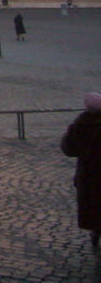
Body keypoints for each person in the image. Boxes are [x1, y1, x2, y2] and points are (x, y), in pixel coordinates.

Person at [60, 92, 101, 248]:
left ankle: (97, 230)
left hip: (90, 175)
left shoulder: (81, 125)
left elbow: (68, 148)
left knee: (95, 203)